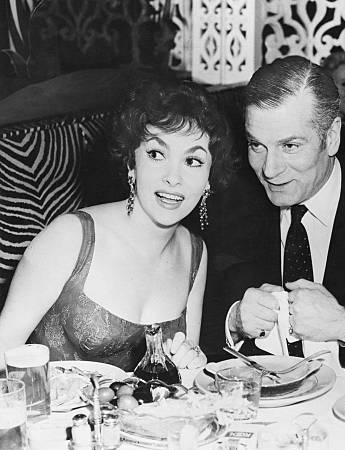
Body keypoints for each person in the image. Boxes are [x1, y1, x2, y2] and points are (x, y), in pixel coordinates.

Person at [0, 79, 233, 371]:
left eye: (193, 161)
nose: (173, 177)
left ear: (209, 178)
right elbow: (2, 353)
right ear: (131, 163)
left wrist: (190, 363)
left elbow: (177, 384)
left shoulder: (195, 253)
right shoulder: (70, 238)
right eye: (156, 154)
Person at [202, 56, 345, 373]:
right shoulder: (231, 204)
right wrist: (234, 321)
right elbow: (201, 318)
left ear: (331, 137)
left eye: (290, 146)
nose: (270, 170)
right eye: (257, 145)